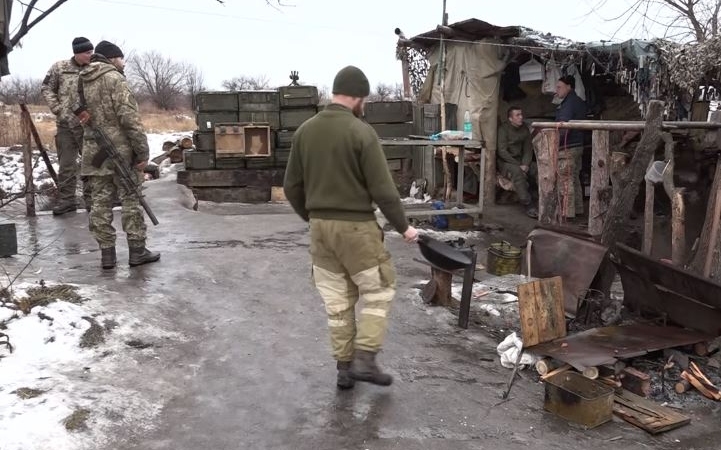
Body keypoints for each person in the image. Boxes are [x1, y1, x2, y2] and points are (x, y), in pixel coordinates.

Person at [283, 65, 419, 390]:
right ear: (358, 97)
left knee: (338, 302)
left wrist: (313, 217)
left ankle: (344, 369)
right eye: (365, 100)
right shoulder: (361, 132)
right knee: (379, 290)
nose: (364, 106)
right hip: (357, 229)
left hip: (320, 231)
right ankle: (365, 359)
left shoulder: (305, 131)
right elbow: (384, 190)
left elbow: (291, 186)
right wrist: (404, 227)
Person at [75, 40, 160, 270]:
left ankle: (107, 256)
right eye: (121, 58)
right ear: (112, 58)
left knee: (100, 203)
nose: (124, 63)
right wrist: (142, 152)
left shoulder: (82, 79)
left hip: (94, 152)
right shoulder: (115, 79)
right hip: (122, 152)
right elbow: (130, 119)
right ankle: (137, 251)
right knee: (131, 200)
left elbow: (76, 113)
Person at [41, 37, 94, 215]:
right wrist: (57, 109)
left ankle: (91, 200)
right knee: (66, 165)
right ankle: (67, 200)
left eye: (91, 52)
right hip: (66, 125)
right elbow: (46, 88)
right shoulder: (60, 67)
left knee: (90, 163)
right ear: (77, 53)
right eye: (87, 52)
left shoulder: (95, 68)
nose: (90, 55)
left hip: (88, 125)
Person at [555, 75, 588, 219]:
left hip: (568, 146)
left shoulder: (568, 104)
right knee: (574, 178)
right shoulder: (578, 101)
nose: (556, 90)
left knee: (565, 180)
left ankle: (567, 214)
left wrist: (555, 143)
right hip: (578, 145)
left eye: (559, 87)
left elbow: (563, 126)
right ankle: (578, 209)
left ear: (569, 87)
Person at [497, 106, 538, 218]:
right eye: (517, 115)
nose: (521, 117)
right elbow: (502, 151)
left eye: (521, 114)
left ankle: (543, 199)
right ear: (510, 118)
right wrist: (518, 165)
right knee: (517, 173)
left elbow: (528, 149)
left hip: (521, 161)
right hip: (506, 162)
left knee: (538, 169)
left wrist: (525, 164)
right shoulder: (503, 129)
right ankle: (528, 204)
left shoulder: (524, 129)